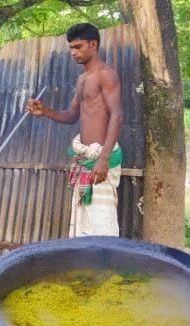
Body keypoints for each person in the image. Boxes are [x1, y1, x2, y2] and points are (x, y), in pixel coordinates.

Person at [26, 23, 123, 237]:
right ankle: (88, 269)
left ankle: (106, 267)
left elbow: (117, 115)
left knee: (102, 223)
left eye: (78, 47)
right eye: (71, 48)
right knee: (85, 225)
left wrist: (103, 158)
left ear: (93, 44)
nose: (73, 52)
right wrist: (45, 111)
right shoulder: (82, 80)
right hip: (84, 158)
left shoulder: (106, 75)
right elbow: (71, 116)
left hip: (101, 159)